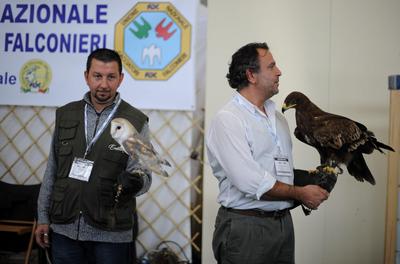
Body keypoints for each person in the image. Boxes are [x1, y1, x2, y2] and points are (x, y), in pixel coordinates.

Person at [206, 42, 330, 264]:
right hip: (247, 229)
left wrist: (306, 178)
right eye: (272, 66)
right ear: (251, 75)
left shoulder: (279, 118)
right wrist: (300, 193)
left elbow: (271, 169)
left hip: (283, 223)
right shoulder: (228, 119)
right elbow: (250, 182)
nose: (279, 71)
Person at [35, 48, 151, 264]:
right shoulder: (66, 115)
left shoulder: (134, 121)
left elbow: (145, 175)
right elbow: (52, 170)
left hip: (111, 233)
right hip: (64, 228)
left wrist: (135, 181)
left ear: (121, 79)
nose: (104, 84)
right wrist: (43, 218)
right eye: (97, 76)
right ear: (86, 76)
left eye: (111, 77)